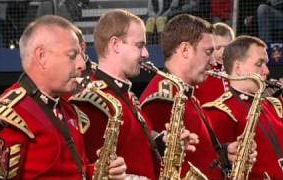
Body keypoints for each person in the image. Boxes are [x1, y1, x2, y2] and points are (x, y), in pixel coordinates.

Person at [70, 9, 197, 180]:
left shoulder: (128, 97)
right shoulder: (90, 101)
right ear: (115, 44)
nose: (146, 53)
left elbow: (136, 150)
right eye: (139, 45)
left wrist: (165, 141)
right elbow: (91, 169)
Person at [0, 15, 126, 179]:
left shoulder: (70, 111)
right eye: (72, 55)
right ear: (42, 57)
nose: (81, 64)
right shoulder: (8, 117)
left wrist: (101, 172)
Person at [139, 14, 256, 179]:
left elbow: (196, 157)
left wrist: (224, 153)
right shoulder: (162, 100)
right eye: (208, 52)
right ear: (185, 49)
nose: (214, 62)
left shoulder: (186, 94)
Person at [202, 35, 283, 179]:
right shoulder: (219, 111)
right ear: (237, 67)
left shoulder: (271, 106)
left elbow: (281, 158)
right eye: (259, 63)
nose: (267, 71)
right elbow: (210, 166)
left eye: (266, 63)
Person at [195, 22, 235, 104]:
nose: (223, 52)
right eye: (218, 47)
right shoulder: (199, 72)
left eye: (227, 47)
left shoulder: (239, 70)